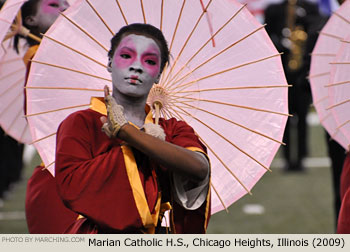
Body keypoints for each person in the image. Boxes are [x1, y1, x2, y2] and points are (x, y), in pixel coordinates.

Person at [55, 23, 211, 234]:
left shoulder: (171, 128)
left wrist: (129, 133)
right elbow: (71, 187)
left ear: (159, 74)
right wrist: (140, 144)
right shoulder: (81, 122)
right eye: (127, 56)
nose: (136, 67)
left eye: (149, 61)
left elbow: (200, 169)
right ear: (110, 62)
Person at [14, 0, 78, 233]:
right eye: (53, 4)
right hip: (61, 176)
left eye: (66, 3)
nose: (63, 7)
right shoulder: (38, 57)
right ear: (30, 21)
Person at [264, 0, 320, 172]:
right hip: (283, 75)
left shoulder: (309, 9)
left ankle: (301, 158)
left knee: (302, 120)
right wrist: (280, 41)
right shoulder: (273, 10)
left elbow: (315, 32)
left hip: (302, 75)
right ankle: (287, 159)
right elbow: (267, 36)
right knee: (285, 121)